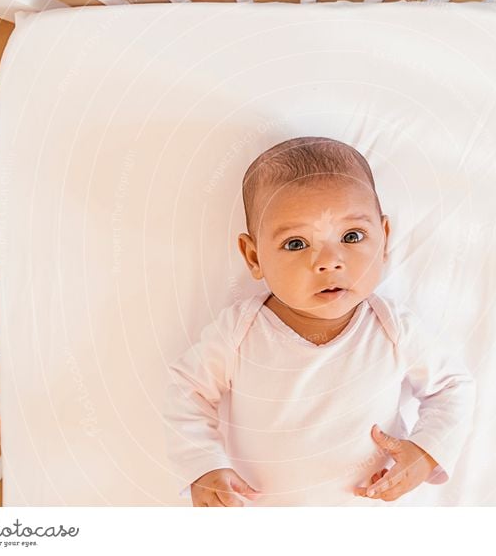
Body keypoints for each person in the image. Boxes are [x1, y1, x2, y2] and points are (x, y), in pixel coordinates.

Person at [164, 136, 476, 506]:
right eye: (296, 243)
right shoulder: (241, 332)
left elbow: (453, 387)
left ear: (385, 238)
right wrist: (203, 465)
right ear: (254, 256)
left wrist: (426, 452)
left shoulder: (392, 329)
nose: (329, 261)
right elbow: (186, 390)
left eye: (351, 236)